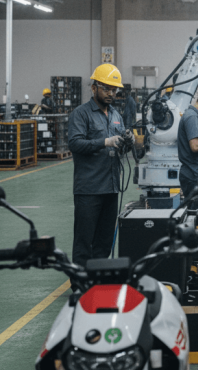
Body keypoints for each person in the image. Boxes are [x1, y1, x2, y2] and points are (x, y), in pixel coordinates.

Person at [68, 64, 133, 268]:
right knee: (84, 240)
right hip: (89, 189)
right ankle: (80, 285)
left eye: (114, 90)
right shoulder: (81, 114)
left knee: (104, 241)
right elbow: (75, 144)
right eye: (106, 88)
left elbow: (121, 146)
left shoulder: (116, 115)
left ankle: (99, 282)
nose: (111, 93)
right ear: (94, 87)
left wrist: (127, 141)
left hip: (111, 188)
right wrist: (105, 142)